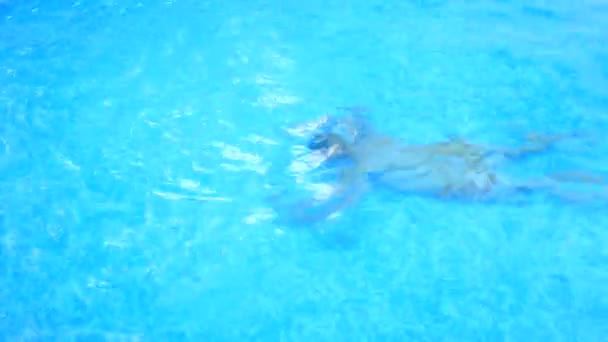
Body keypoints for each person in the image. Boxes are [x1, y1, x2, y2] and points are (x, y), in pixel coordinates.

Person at [275, 108, 605, 224]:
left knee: (541, 185)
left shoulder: (358, 168)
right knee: (523, 152)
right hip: (459, 152)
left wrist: (302, 213)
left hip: (458, 180)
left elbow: (342, 201)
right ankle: (575, 136)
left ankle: (595, 190)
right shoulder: (369, 138)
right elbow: (358, 113)